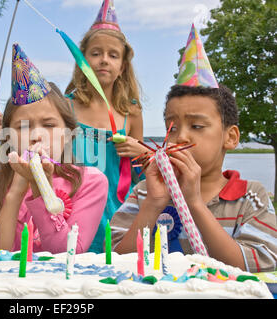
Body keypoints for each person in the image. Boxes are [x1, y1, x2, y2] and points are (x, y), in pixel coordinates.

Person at [111, 25, 277, 272]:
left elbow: (257, 265)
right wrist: (154, 203)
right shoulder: (145, 193)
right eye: (172, 127)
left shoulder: (250, 197)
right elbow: (116, 260)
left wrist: (194, 203)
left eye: (197, 126)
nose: (179, 138)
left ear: (230, 137)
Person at [0, 43, 108, 254]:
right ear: (7, 136)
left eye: (49, 125)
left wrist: (39, 188)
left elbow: (66, 253)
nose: (36, 136)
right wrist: (16, 192)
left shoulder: (90, 181)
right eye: (22, 127)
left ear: (68, 132)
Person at [64, 0, 148, 253]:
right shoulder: (65, 107)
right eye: (95, 53)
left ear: (122, 66)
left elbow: (142, 170)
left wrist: (138, 150)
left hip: (118, 209)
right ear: (83, 59)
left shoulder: (131, 112)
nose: (104, 60)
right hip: (73, 206)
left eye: (113, 55)